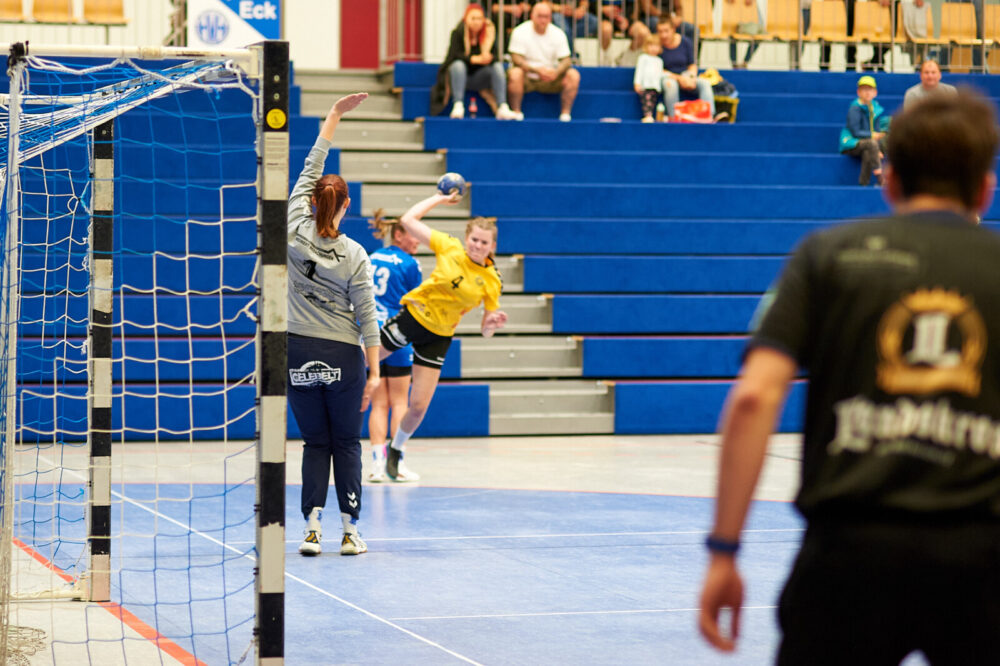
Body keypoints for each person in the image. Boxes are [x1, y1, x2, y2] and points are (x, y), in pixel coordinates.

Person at [698, 88, 1000, 664]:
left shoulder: (825, 255)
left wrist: (724, 550)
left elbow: (753, 400)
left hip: (848, 555)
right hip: (982, 558)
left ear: (888, 179)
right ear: (985, 188)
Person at [287, 93, 380, 557]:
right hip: (344, 356)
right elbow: (367, 317)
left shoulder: (292, 228)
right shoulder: (355, 254)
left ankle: (311, 529)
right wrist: (376, 373)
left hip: (296, 351)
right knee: (345, 442)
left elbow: (309, 167)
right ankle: (350, 532)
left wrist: (334, 115)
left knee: (313, 442)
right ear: (343, 207)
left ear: (311, 201)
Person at [378, 193, 508, 482]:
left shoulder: (492, 280)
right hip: (414, 317)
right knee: (366, 359)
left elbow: (486, 330)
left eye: (484, 242)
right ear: (467, 237)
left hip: (439, 336)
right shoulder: (449, 247)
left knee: (419, 405)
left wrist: (492, 323)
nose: (477, 245)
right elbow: (408, 220)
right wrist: (438, 198)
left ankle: (396, 451)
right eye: (474, 239)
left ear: (492, 247)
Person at [366, 210, 423, 483]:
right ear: (399, 234)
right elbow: (416, 303)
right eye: (414, 234)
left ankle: (376, 465)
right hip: (397, 336)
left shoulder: (371, 257)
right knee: (399, 400)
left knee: (378, 402)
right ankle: (395, 464)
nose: (419, 241)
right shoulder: (410, 264)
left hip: (371, 335)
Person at [431, 4, 518, 120]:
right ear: (466, 19)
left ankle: (502, 106)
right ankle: (458, 104)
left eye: (480, 18)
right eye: (473, 18)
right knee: (458, 65)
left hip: (481, 77)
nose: (477, 22)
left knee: (497, 66)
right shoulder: (458, 32)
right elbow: (452, 56)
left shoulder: (489, 33)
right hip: (461, 77)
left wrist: (489, 58)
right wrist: (473, 59)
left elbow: (496, 56)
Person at [507, 1, 581, 121]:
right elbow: (516, 58)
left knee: (573, 75)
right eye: (540, 16)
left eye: (546, 16)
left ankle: (565, 115)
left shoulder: (558, 33)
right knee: (515, 73)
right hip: (527, 76)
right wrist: (536, 70)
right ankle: (516, 113)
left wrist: (556, 72)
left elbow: (566, 60)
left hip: (551, 76)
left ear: (550, 18)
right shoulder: (520, 31)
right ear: (532, 16)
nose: (543, 20)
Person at [657, 19, 714, 118]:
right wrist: (679, 78)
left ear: (673, 29)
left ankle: (709, 116)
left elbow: (692, 64)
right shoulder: (656, 44)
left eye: (666, 31)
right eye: (660, 32)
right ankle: (673, 117)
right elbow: (658, 69)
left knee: (704, 84)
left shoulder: (686, 42)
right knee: (671, 85)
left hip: (685, 75)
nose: (663, 35)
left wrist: (691, 77)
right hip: (668, 77)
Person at [839, 75, 888, 186]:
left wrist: (878, 148)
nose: (867, 92)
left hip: (868, 145)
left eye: (870, 89)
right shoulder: (855, 108)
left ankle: (863, 184)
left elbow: (876, 129)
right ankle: (881, 179)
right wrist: (872, 136)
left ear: (875, 92)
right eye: (864, 89)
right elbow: (855, 131)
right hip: (851, 143)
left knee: (869, 151)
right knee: (871, 144)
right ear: (858, 92)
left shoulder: (876, 108)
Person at [634, 33, 665, 121]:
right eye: (651, 45)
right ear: (646, 46)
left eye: (656, 46)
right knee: (646, 101)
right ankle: (647, 115)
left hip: (655, 86)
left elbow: (660, 74)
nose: (653, 48)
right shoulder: (643, 58)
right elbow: (639, 71)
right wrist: (637, 83)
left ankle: (652, 115)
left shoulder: (659, 61)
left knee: (653, 101)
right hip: (645, 85)